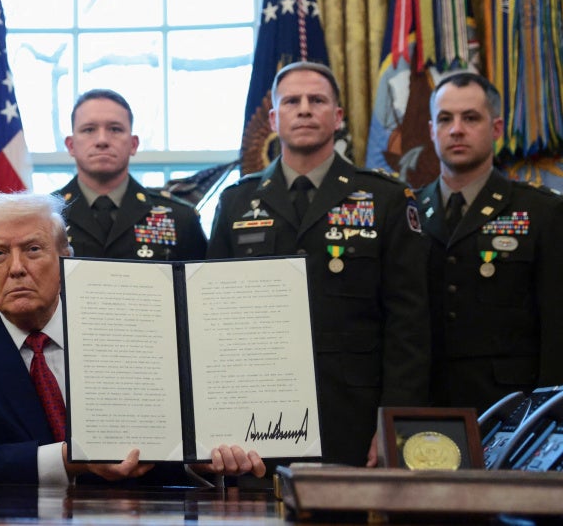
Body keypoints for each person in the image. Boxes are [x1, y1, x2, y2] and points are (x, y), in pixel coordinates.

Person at [0, 192, 264, 484]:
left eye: (33, 249)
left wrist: (197, 462)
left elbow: (161, 445)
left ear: (65, 260)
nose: (16, 268)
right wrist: (67, 459)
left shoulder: (134, 335)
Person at [207, 61, 429, 467]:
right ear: (273, 119)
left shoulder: (385, 199)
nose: (305, 109)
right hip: (255, 416)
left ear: (338, 116)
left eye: (317, 100)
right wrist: (214, 424)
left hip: (353, 416)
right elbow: (213, 322)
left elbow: (409, 325)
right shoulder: (237, 201)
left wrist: (395, 423)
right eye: (292, 101)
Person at [418, 72, 563, 412]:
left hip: (511, 408)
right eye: (445, 119)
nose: (456, 129)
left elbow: (557, 328)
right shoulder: (407, 210)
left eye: (470, 118)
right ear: (432, 131)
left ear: (496, 129)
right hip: (425, 407)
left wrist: (549, 415)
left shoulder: (541, 211)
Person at [55, 89, 206, 260]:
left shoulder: (180, 217)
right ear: (71, 145)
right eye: (89, 130)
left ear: (133, 144)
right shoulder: (46, 217)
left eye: (115, 129)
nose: (102, 140)